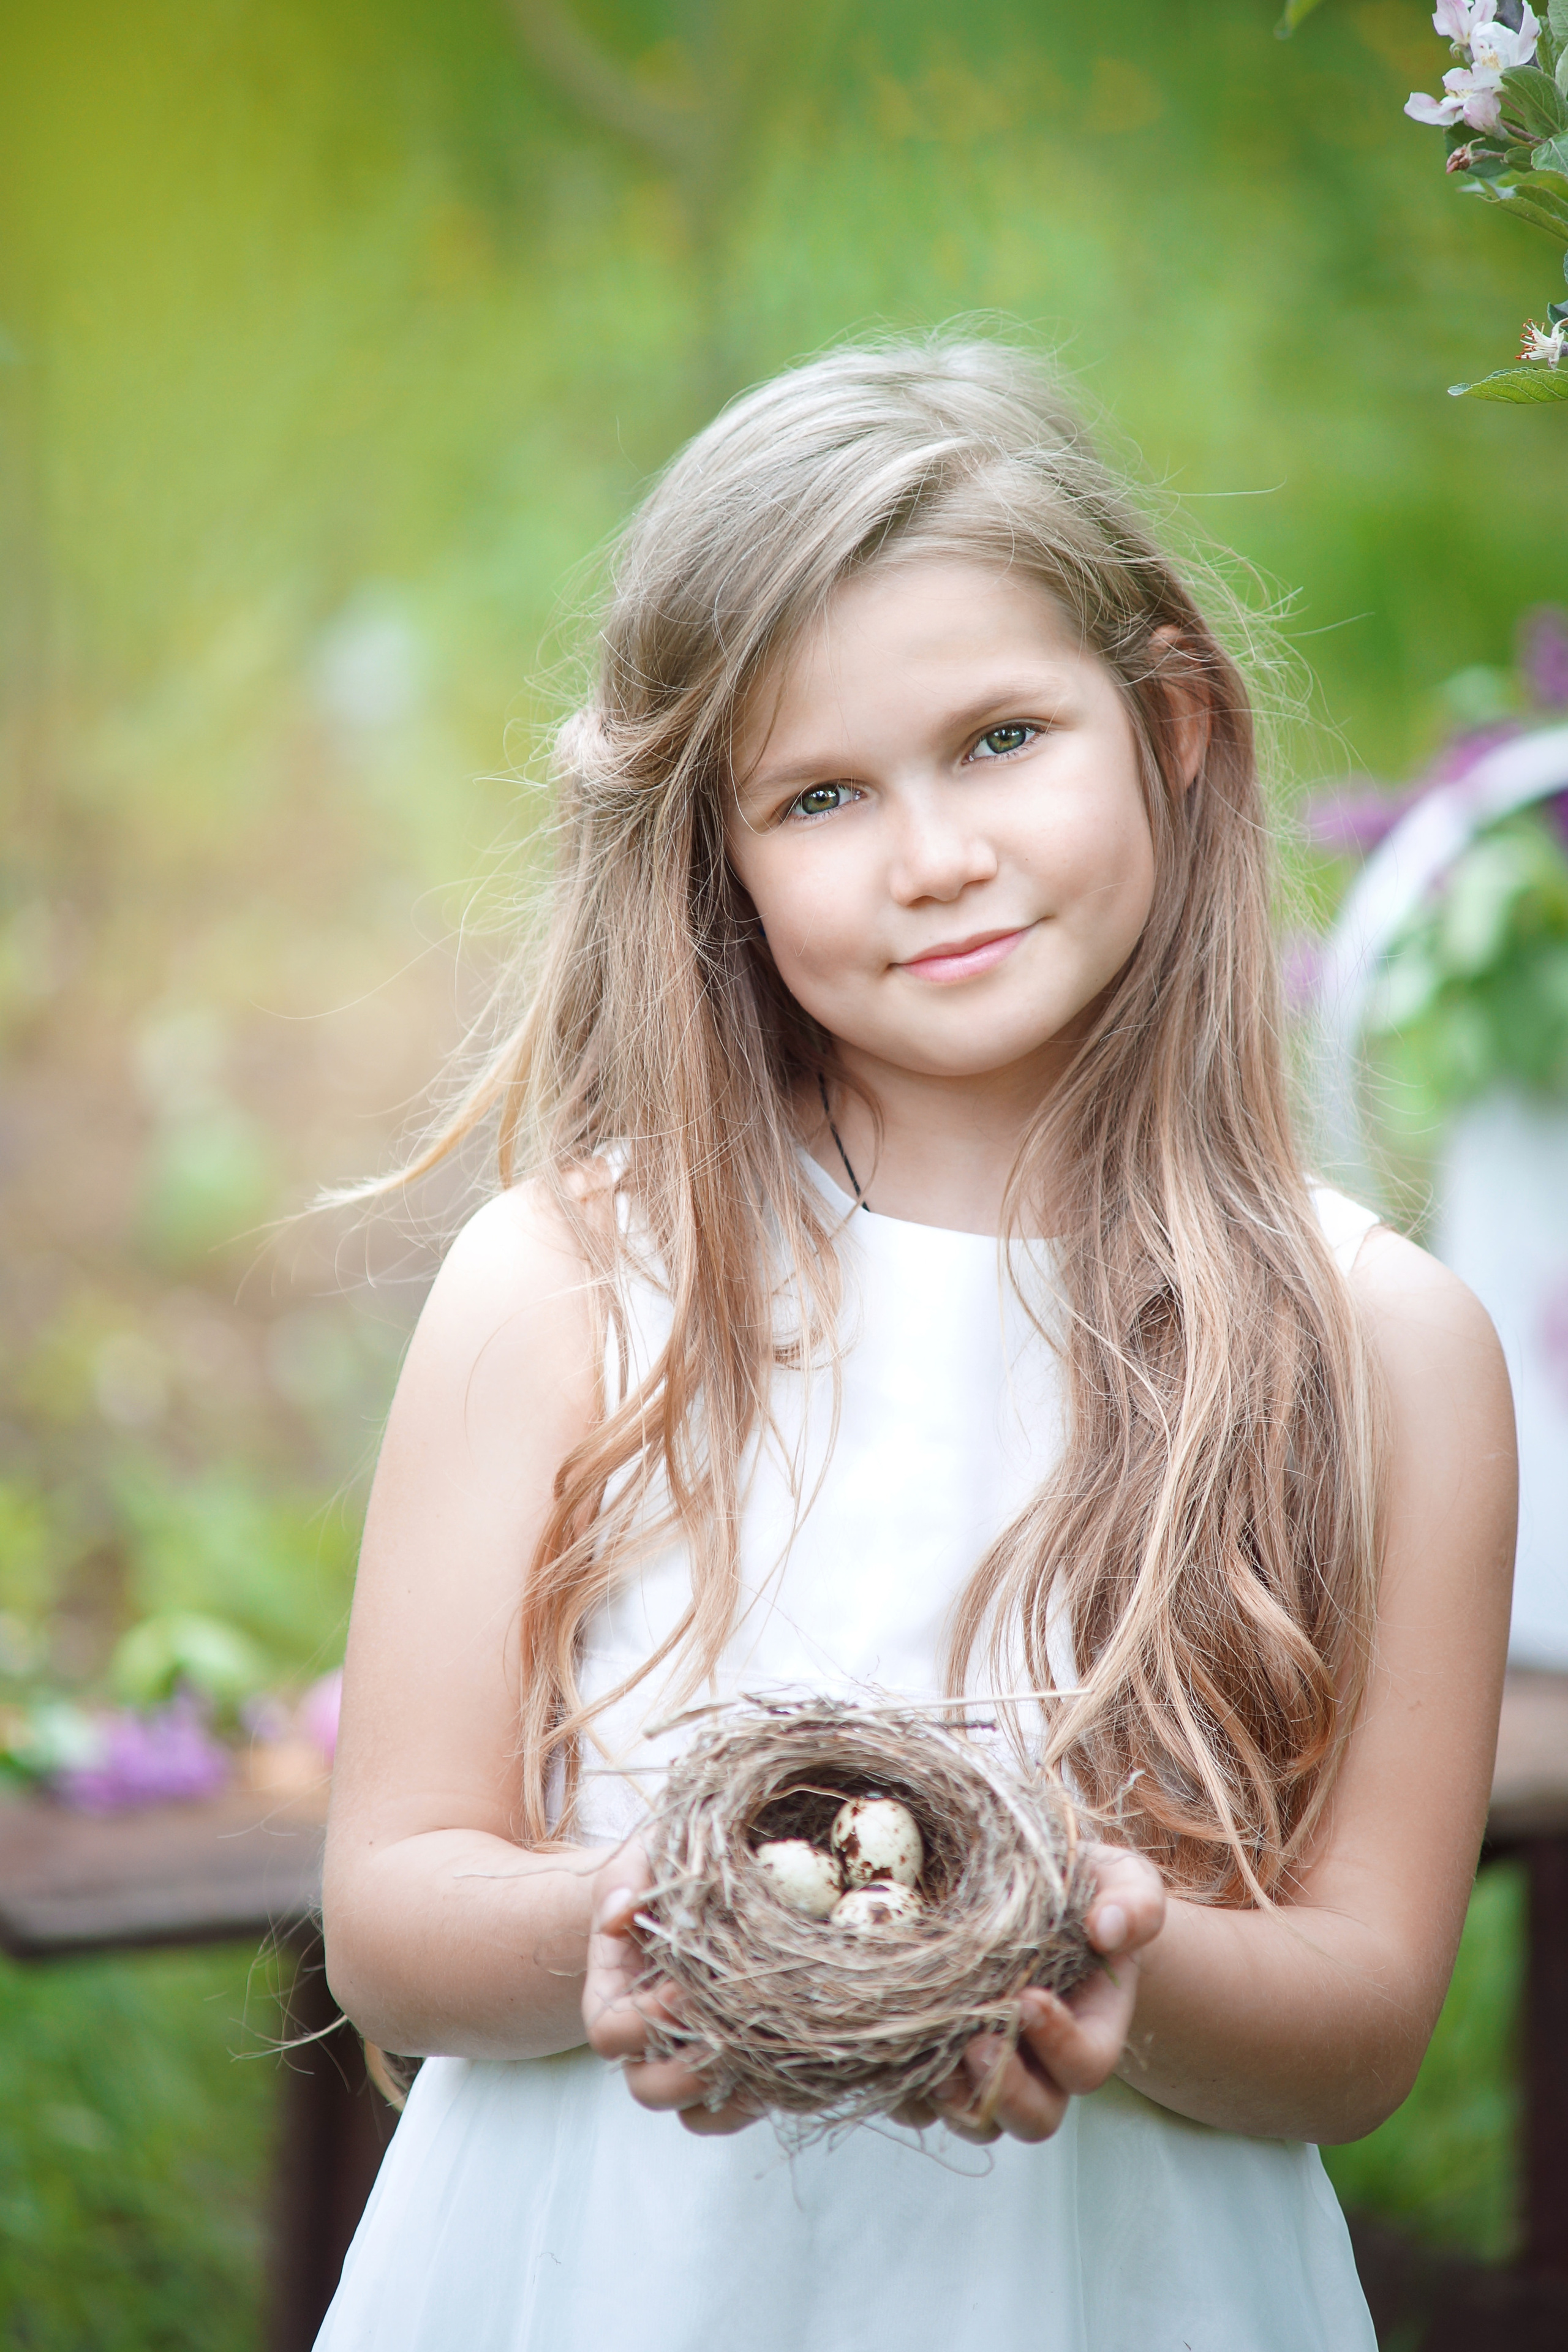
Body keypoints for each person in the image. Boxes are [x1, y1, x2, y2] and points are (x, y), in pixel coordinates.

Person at [314, 339, 1517, 2351]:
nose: (932, 855)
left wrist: (1126, 1973)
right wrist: (607, 1934)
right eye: (822, 795)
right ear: (720, 858)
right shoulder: (574, 1283)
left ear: (1177, 726)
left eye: (999, 741)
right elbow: (396, 1910)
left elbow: (1363, 2023)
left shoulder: (1381, 1347)